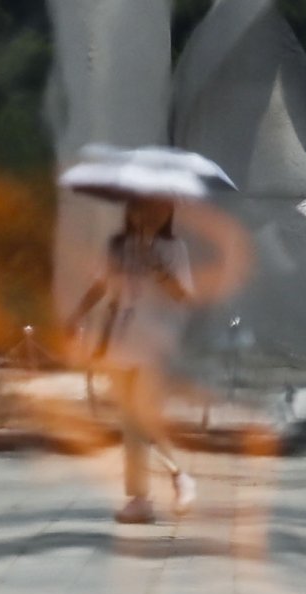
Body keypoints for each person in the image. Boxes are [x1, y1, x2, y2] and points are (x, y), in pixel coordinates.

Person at [65, 197, 196, 524]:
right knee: (131, 422)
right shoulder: (118, 247)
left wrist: (160, 270)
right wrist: (77, 314)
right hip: (122, 341)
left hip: (155, 342)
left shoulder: (173, 248)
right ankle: (141, 497)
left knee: (143, 414)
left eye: (162, 208)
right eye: (144, 208)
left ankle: (176, 477)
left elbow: (184, 296)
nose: (152, 214)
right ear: (132, 212)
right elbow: (100, 284)